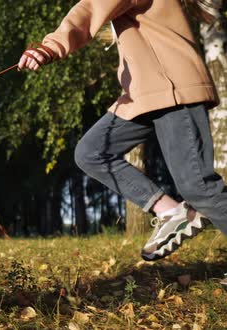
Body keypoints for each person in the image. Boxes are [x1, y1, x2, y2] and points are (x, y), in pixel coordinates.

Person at [17, 0, 226, 273]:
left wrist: (50, 46)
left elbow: (91, 7)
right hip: (146, 94)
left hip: (173, 88)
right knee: (91, 152)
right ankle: (172, 212)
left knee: (198, 187)